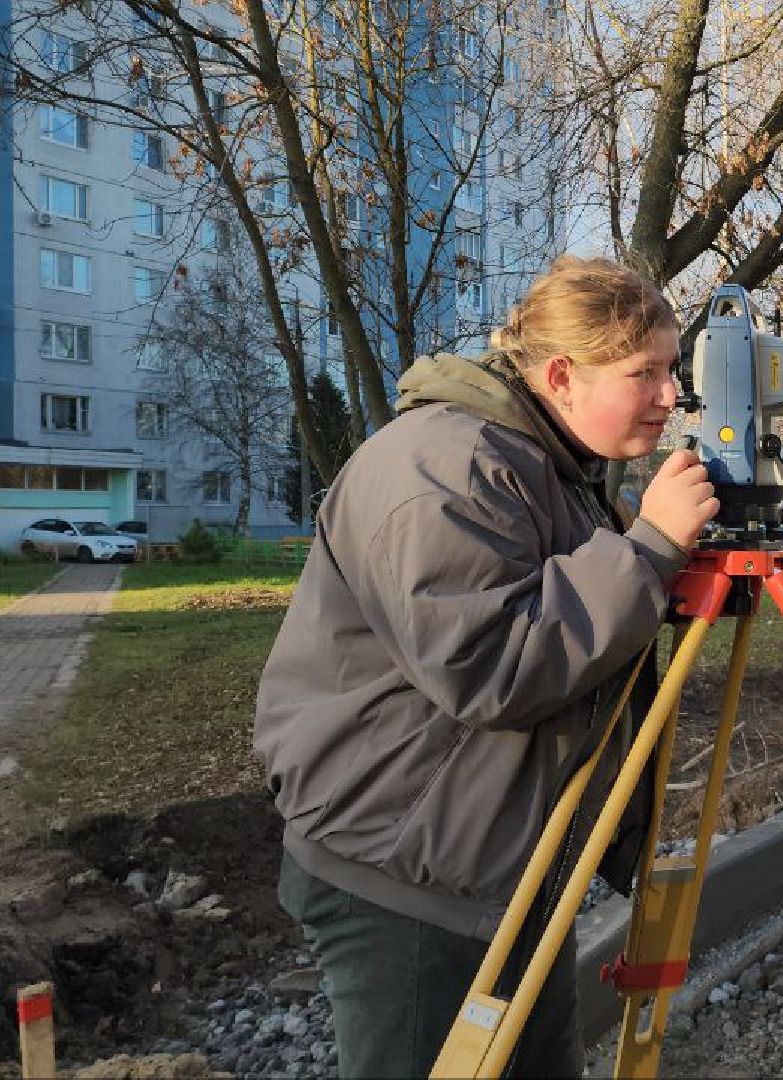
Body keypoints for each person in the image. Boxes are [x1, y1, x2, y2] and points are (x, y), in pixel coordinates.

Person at [254, 255, 719, 1077]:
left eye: (671, 370)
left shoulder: (547, 466)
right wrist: (644, 552)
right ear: (562, 374)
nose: (670, 395)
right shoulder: (448, 465)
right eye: (643, 372)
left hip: (495, 864)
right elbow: (488, 666)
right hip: (405, 873)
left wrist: (652, 567)